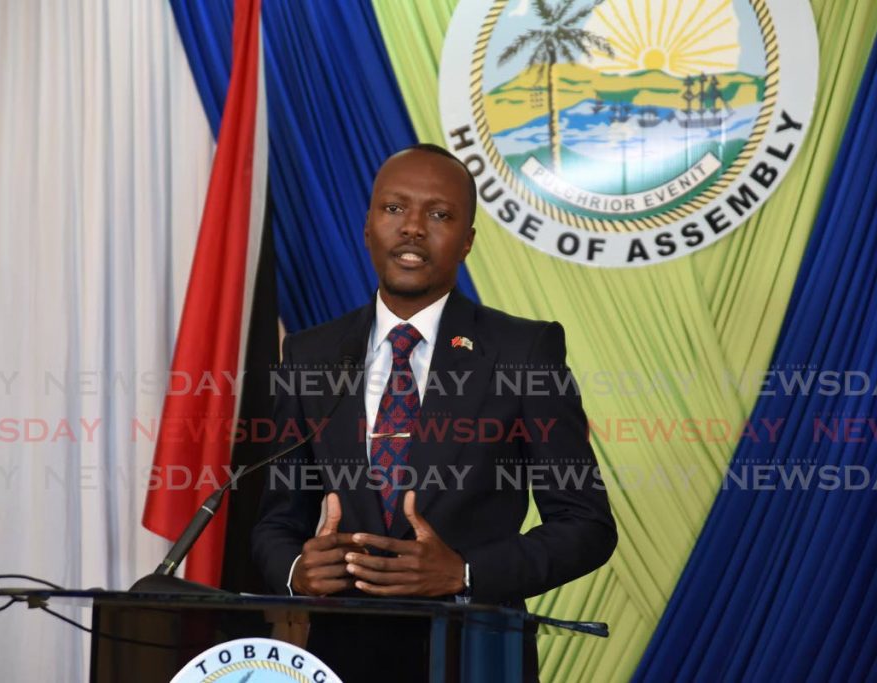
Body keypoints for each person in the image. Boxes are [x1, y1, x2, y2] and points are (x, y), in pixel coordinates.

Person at [252, 144, 616, 682]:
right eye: (394, 209)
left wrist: (465, 572)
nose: (413, 228)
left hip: (477, 657)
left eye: (440, 215)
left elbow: (586, 525)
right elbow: (278, 519)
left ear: (466, 241)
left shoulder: (523, 351)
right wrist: (296, 570)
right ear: (368, 226)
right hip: (341, 659)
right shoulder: (312, 354)